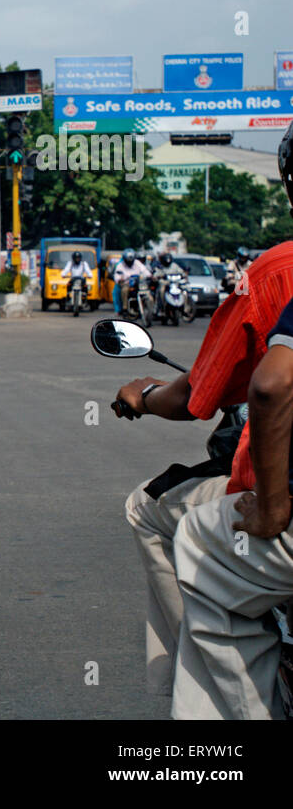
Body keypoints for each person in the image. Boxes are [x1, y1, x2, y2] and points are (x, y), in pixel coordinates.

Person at [117, 235, 293, 700]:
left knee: (159, 515)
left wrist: (145, 395)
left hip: (283, 514)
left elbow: (205, 395)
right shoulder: (145, 273)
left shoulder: (274, 270)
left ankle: (203, 685)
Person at [169, 125, 293, 718]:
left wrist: (271, 506)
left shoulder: (272, 269)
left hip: (274, 499)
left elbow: (219, 391)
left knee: (185, 532)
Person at [112, 249, 151, 317]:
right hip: (127, 283)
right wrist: (120, 279)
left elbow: (145, 271)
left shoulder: (137, 263)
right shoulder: (120, 265)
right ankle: (125, 308)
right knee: (124, 290)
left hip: (138, 283)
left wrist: (150, 276)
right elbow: (117, 276)